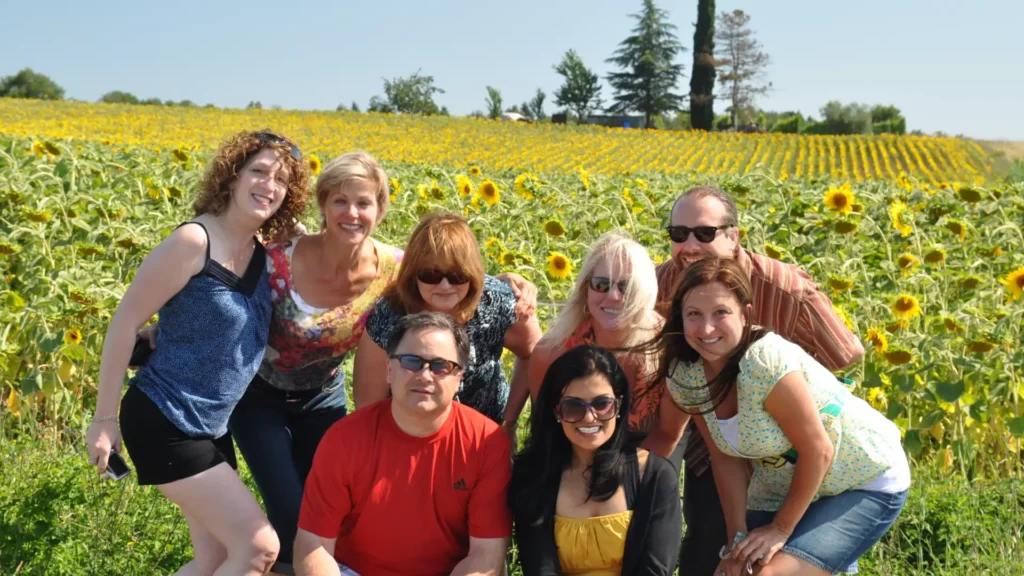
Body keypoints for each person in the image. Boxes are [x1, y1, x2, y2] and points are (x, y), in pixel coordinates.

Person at [85, 130, 310, 575]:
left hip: (210, 425)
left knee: (217, 559)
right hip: (163, 418)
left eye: (281, 180)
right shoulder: (194, 242)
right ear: (231, 177)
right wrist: (103, 420)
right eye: (259, 171)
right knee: (259, 548)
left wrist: (299, 235)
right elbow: (124, 324)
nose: (269, 185)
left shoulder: (263, 257)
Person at [643, 185, 866, 576]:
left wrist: (788, 397)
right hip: (711, 445)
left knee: (799, 560)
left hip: (795, 454)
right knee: (711, 554)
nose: (688, 245)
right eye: (678, 234)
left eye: (704, 233)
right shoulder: (659, 283)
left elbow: (845, 354)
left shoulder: (785, 289)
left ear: (734, 236)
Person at [656, 258, 909, 576]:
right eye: (694, 314)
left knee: (770, 574)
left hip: (863, 477)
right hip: (785, 486)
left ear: (746, 315)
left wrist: (780, 529)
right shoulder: (687, 375)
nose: (706, 329)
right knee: (738, 571)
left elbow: (818, 449)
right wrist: (737, 540)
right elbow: (725, 458)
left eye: (721, 313)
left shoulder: (765, 363)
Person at [227, 151, 401, 575]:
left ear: (380, 208)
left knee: (328, 513)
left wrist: (512, 285)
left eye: (364, 202)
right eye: (339, 201)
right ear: (322, 204)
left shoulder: (392, 269)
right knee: (290, 511)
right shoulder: (275, 258)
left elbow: (454, 274)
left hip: (323, 400)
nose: (352, 213)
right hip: (258, 398)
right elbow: (218, 298)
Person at [294, 312, 512, 576]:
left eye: (441, 366)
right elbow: (313, 545)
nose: (425, 375)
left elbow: (486, 555)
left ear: (459, 378)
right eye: (411, 361)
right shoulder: (344, 438)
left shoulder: (486, 443)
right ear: (388, 369)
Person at [353, 211, 542, 439]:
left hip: (485, 438)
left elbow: (534, 353)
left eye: (457, 274)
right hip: (409, 439)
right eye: (431, 274)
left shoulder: (497, 303)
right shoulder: (390, 314)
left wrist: (509, 421)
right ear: (413, 273)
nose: (445, 285)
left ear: (472, 273)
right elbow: (368, 406)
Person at [510, 345, 682, 576]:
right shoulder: (533, 475)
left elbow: (655, 570)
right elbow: (539, 567)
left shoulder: (654, 476)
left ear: (619, 406)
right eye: (573, 406)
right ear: (556, 413)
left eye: (602, 404)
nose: (589, 417)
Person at [526, 231, 670, 460]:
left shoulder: (667, 347)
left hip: (648, 456)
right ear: (586, 288)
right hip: (570, 458)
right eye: (601, 285)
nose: (613, 296)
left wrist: (625, 479)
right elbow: (546, 433)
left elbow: (667, 435)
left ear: (645, 293)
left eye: (626, 287)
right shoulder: (552, 353)